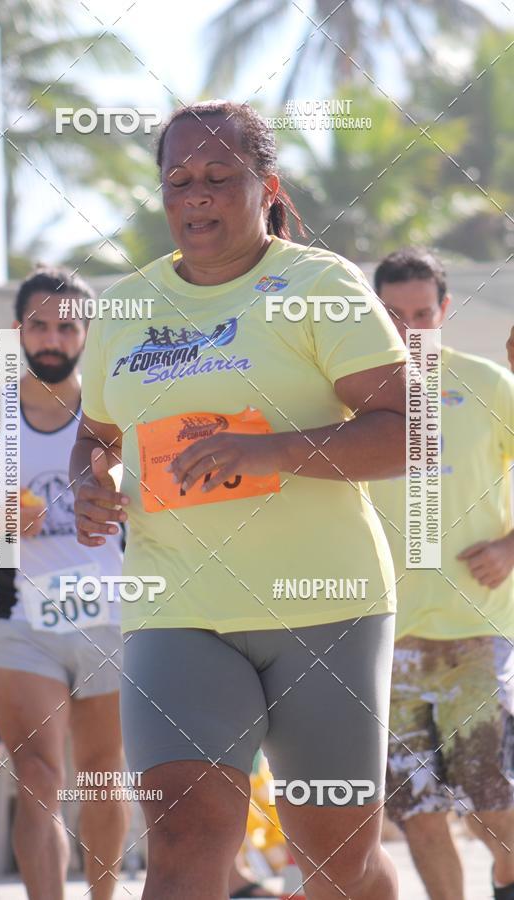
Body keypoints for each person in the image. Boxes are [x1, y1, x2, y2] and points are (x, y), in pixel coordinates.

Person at [70, 99, 408, 900]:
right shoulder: (124, 308)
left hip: (327, 606)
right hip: (177, 606)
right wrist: (92, 481)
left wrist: (276, 451)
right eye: (178, 180)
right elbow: (100, 434)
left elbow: (408, 431)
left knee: (336, 863)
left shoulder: (321, 287)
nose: (196, 195)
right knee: (187, 835)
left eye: (219, 177)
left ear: (268, 187)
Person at [0, 269, 129, 900]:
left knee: (104, 776)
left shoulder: (117, 411)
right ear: (18, 331)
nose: (53, 339)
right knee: (39, 777)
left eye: (69, 326)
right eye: (40, 325)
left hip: (111, 615)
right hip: (21, 620)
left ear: (88, 334)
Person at [369, 248, 514, 900]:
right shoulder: (351, 400)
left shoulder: (487, 385)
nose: (408, 330)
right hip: (386, 642)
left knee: (494, 811)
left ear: (444, 311)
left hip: (480, 634)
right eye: (393, 316)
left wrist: (512, 547)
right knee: (420, 819)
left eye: (422, 314)